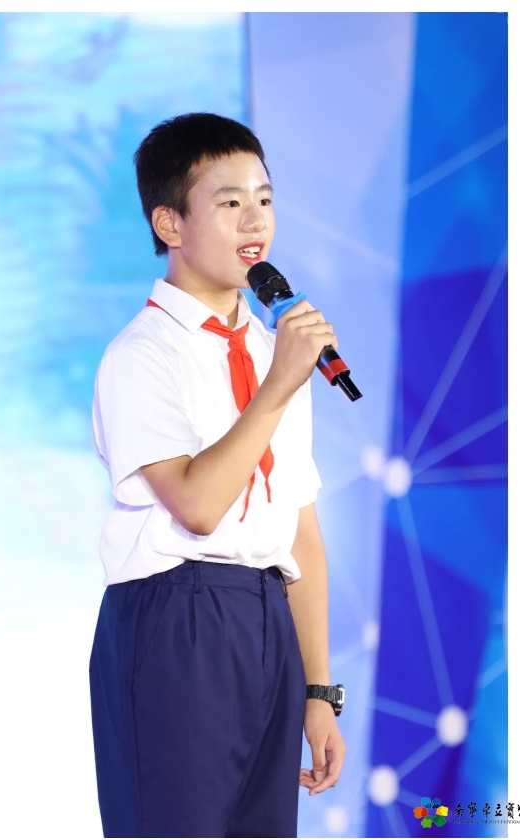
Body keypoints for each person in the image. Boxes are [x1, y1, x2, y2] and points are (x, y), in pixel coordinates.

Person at [89, 112, 347, 839]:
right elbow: (197, 506)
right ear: (169, 223)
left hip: (268, 620)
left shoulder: (274, 348)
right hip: (178, 618)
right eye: (229, 201)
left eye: (264, 199)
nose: (254, 219)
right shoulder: (142, 356)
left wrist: (319, 691)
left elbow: (300, 532)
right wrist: (279, 386)